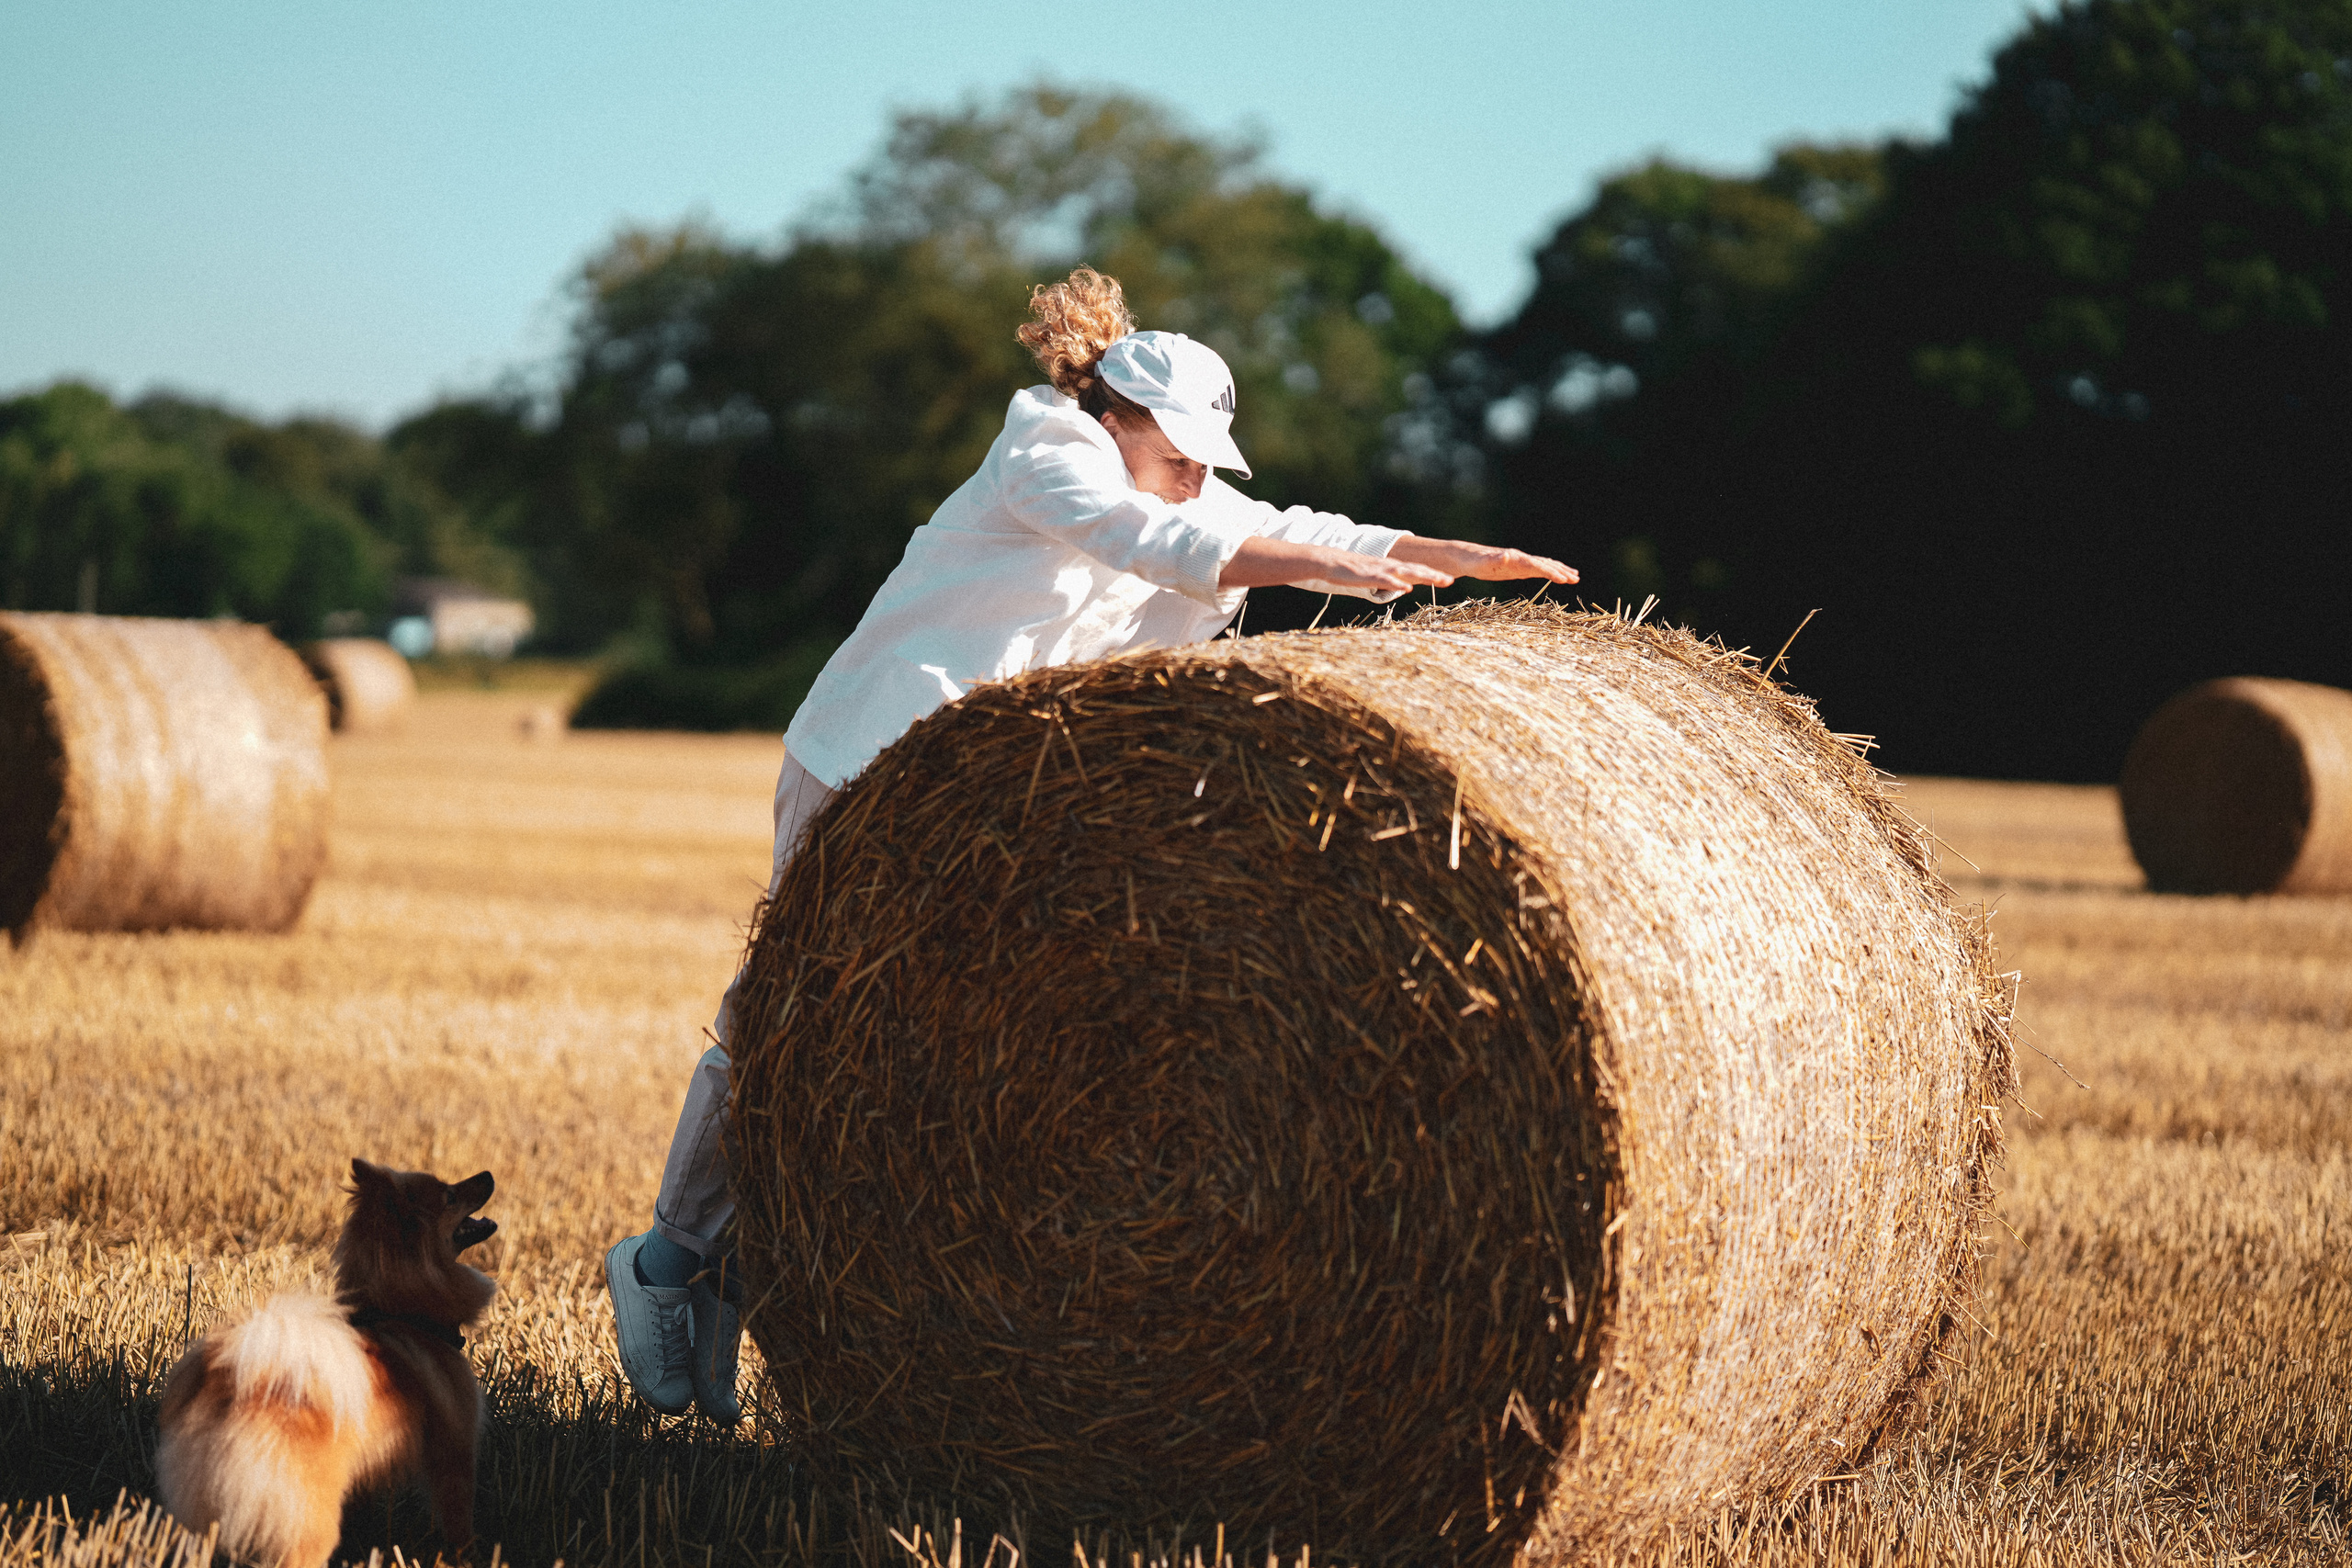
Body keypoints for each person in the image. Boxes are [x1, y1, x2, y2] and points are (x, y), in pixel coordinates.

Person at [604, 266, 1578, 1421]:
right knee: (783, 1018)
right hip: (868, 757)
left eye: (1207, 453)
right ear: (1113, 417)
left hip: (989, 797)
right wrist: (1312, 567)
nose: (1195, 471)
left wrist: (1445, 553)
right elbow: (1141, 538)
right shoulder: (1044, 450)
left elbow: (1278, 526)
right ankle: (671, 1263)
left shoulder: (1180, 486)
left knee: (952, 1051)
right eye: (1176, 447)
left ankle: (828, 1301)